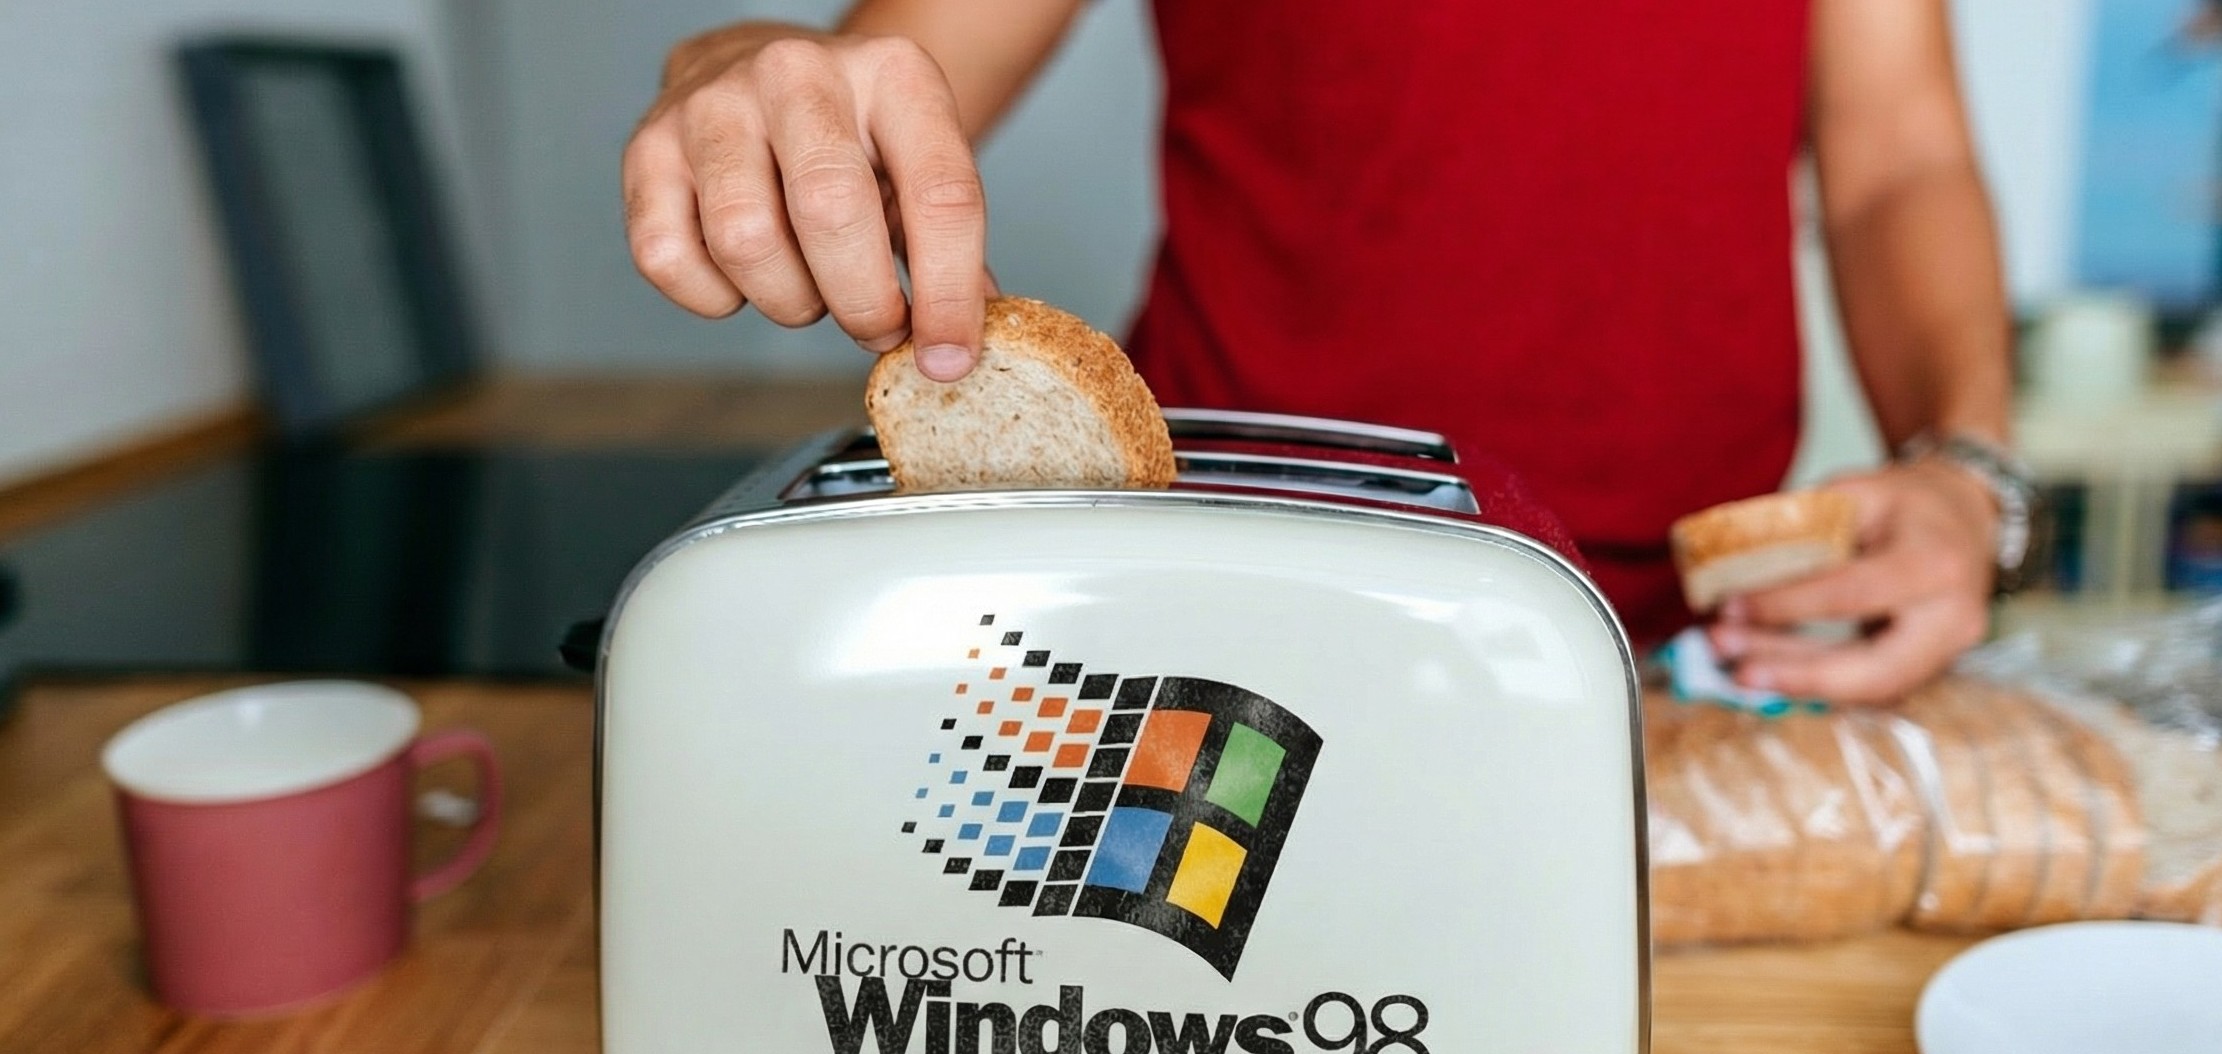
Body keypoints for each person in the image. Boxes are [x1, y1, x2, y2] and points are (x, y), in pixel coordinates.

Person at [622, 0, 2027, 704]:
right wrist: (743, 79)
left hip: (1698, 659)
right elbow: (879, 76)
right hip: (1216, 638)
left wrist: (1968, 465)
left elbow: (1896, 157)